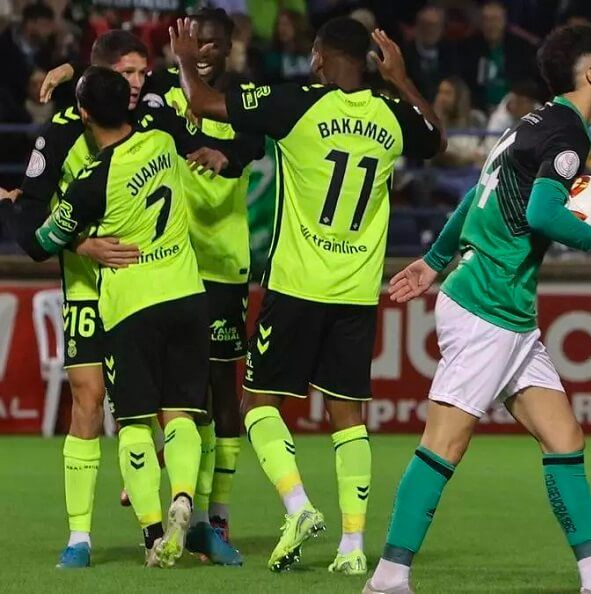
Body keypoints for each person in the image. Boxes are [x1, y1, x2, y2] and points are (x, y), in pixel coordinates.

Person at [363, 23, 591, 594]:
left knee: (565, 438)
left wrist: (433, 259)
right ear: (590, 73)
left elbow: (474, 195)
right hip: (488, 303)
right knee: (444, 443)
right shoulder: (566, 133)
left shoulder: (529, 125)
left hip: (504, 307)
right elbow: (542, 213)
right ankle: (388, 578)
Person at [169, 16, 444, 574]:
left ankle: (298, 507)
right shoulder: (391, 115)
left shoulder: (297, 104)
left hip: (296, 285)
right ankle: (352, 547)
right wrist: (401, 79)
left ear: (318, 57)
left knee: (257, 406)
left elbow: (202, 102)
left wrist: (183, 60)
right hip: (356, 292)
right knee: (349, 417)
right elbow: (436, 139)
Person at [2, 30, 229, 570]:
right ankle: (80, 537)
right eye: (126, 73)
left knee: (170, 408)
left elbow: (179, 86)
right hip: (91, 284)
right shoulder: (60, 135)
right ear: (102, 74)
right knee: (89, 399)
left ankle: (188, 525)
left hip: (138, 288)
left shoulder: (149, 118)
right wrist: (82, 244)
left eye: (142, 73)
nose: (137, 83)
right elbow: (34, 220)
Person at [147, 7, 265, 562]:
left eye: (214, 43)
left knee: (220, 388)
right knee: (171, 391)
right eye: (195, 42)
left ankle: (216, 518)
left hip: (221, 264)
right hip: (167, 262)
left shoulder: (244, 98)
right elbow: (109, 92)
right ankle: (174, 500)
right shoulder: (160, 88)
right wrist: (66, 74)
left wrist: (229, 154)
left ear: (230, 46)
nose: (203, 52)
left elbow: (255, 145)